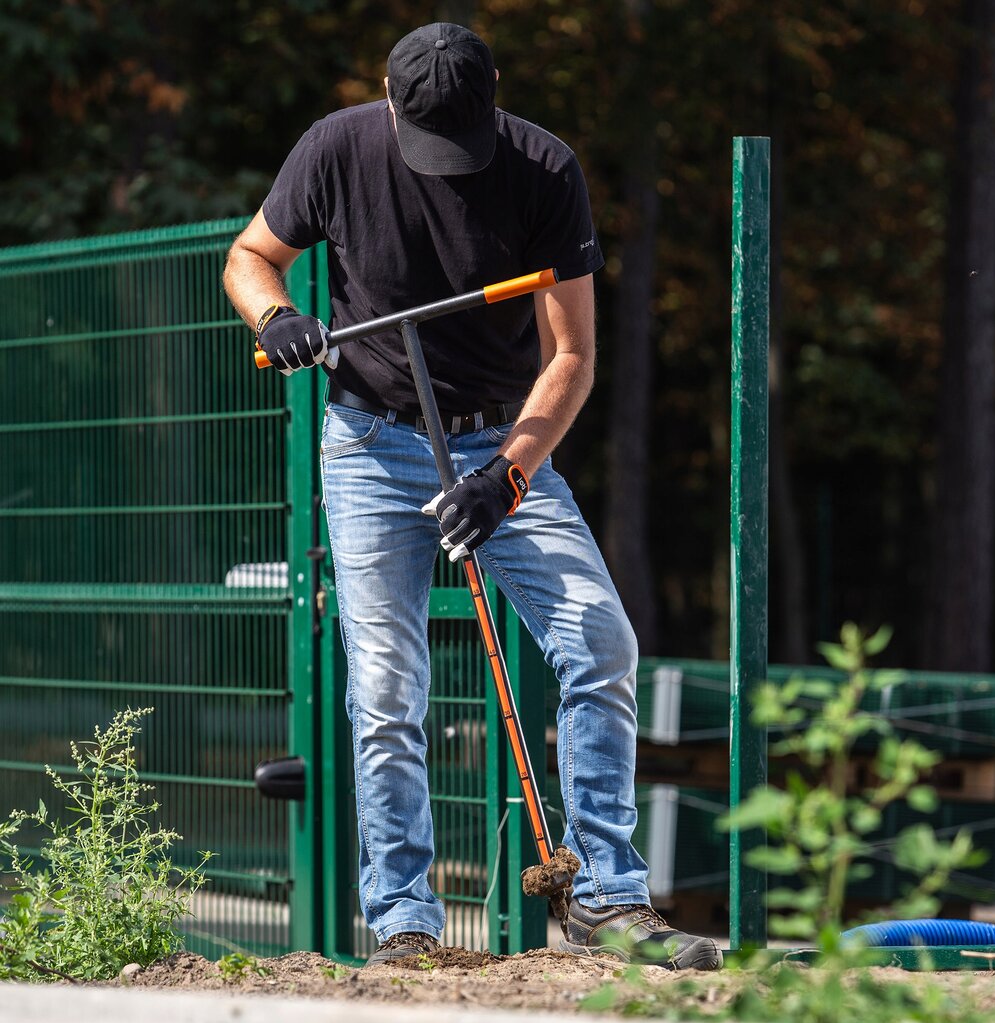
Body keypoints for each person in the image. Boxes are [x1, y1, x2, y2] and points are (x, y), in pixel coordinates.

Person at [223, 22, 721, 972]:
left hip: (501, 437)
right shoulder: (336, 149)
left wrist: (509, 479)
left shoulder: (543, 169)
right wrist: (278, 314)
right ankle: (406, 923)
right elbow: (252, 255)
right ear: (387, 95)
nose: (448, 169)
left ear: (498, 91)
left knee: (600, 642)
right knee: (386, 689)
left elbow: (571, 355)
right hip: (372, 442)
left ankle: (609, 901)